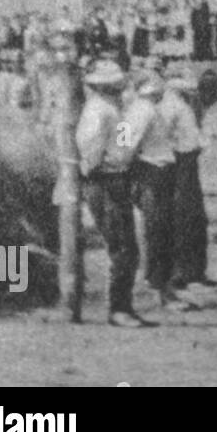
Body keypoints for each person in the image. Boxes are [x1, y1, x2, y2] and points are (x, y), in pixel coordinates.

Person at [76, 59, 150, 328]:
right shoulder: (99, 110)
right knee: (122, 247)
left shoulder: (109, 108)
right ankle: (118, 308)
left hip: (115, 176)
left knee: (126, 246)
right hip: (104, 179)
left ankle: (123, 306)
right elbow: (91, 151)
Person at [126, 74, 195, 311]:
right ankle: (161, 290)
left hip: (155, 169)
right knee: (158, 230)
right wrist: (127, 165)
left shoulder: (140, 109)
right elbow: (127, 144)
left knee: (159, 230)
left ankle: (160, 285)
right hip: (153, 171)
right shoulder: (144, 111)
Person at [161, 68, 211, 291]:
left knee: (193, 217)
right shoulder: (171, 107)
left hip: (187, 161)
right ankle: (183, 273)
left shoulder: (184, 106)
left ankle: (193, 272)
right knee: (184, 217)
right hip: (178, 163)